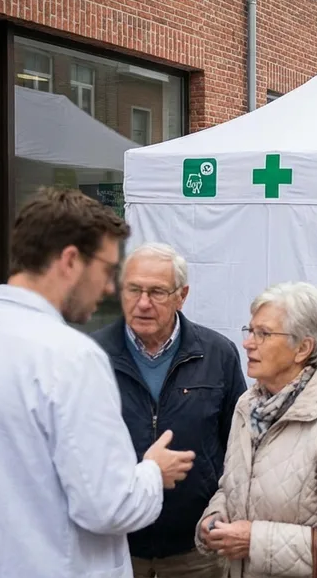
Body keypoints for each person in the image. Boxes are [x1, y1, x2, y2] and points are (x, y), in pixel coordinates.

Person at [0, 188, 196, 577]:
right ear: (70, 260)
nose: (107, 288)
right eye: (106, 270)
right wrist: (153, 471)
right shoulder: (70, 358)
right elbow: (109, 506)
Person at [197, 283, 317, 576]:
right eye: (250, 330)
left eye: (263, 334)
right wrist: (216, 518)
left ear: (303, 348)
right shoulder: (248, 405)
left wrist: (253, 541)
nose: (248, 343)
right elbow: (235, 484)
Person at [91, 242, 247, 577]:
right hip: (116, 547)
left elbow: (239, 446)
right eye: (134, 290)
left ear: (182, 295)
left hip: (194, 546)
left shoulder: (218, 355)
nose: (143, 303)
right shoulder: (91, 355)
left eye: (157, 292)